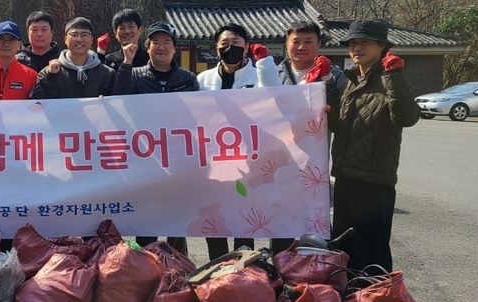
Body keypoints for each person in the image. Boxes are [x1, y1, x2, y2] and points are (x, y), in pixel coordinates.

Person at [329, 20, 419, 272]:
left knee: (372, 250)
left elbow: (407, 117)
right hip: (345, 176)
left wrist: (394, 76)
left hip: (375, 179)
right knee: (344, 248)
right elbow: (340, 125)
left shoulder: (391, 77)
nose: (356, 47)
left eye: (364, 42)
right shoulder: (351, 82)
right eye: (352, 43)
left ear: (381, 46)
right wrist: (327, 91)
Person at [114, 19, 199, 251]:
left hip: (177, 158)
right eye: (156, 42)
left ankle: (177, 266)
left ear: (174, 48)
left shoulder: (188, 79)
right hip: (144, 159)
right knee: (146, 216)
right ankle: (146, 267)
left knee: (177, 217)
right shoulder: (134, 75)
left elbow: (196, 118)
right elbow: (119, 98)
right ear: (148, 47)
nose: (161, 47)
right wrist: (127, 62)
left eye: (167, 42)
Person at [197, 23, 279, 260]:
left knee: (245, 218)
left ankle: (244, 275)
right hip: (214, 162)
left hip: (249, 160)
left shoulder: (258, 76)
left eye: (236, 44)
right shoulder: (203, 79)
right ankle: (215, 272)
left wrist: (265, 63)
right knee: (215, 220)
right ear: (216, 48)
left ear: (247, 48)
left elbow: (274, 99)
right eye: (224, 44)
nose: (229, 48)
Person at [272, 20, 345, 254]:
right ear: (286, 44)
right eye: (296, 41)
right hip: (281, 159)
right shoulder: (274, 74)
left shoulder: (334, 74)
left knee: (316, 215)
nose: (301, 47)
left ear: (319, 44)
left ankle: (318, 273)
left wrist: (328, 84)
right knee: (280, 216)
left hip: (316, 161)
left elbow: (345, 109)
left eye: (308, 42)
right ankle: (281, 267)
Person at [33, 17, 115, 99]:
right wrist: (51, 79)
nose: (79, 39)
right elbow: (39, 106)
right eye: (74, 35)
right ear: (65, 39)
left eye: (84, 35)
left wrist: (106, 104)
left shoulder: (107, 74)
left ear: (91, 40)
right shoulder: (47, 73)